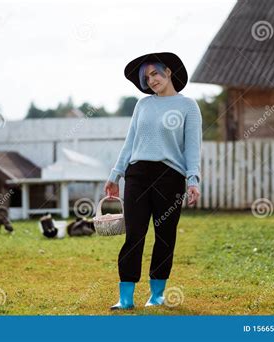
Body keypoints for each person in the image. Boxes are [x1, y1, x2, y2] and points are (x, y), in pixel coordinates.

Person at [104, 52, 202, 310]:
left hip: (170, 177)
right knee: (134, 235)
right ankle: (125, 298)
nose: (151, 80)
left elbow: (192, 147)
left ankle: (156, 293)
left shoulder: (188, 106)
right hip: (137, 174)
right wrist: (116, 173)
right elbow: (130, 142)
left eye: (155, 73)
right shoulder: (142, 105)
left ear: (168, 71)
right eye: (147, 78)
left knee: (165, 235)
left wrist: (193, 179)